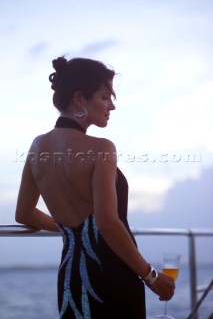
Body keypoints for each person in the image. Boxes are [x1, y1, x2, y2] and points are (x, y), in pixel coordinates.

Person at [15, 56, 175, 319]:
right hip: (113, 275)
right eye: (105, 96)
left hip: (70, 282)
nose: (111, 106)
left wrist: (71, 229)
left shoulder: (37, 147)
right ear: (80, 99)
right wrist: (150, 275)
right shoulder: (101, 149)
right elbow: (108, 223)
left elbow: (23, 214)